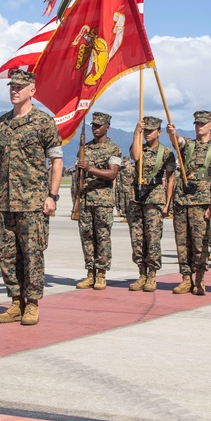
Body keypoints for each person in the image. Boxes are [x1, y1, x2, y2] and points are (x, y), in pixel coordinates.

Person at [0, 69, 63, 326]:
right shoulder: (1, 123)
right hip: (5, 202)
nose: (14, 90)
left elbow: (56, 160)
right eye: (12, 86)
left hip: (32, 201)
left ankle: (31, 304)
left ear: (32, 90)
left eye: (20, 87)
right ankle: (15, 301)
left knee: (32, 254)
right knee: (7, 254)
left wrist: (52, 195)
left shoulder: (43, 122)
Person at [166, 110, 211, 295]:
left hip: (201, 203)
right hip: (182, 201)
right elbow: (178, 141)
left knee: (200, 243)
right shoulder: (188, 146)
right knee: (182, 243)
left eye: (203, 123)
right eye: (197, 123)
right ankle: (186, 278)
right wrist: (172, 133)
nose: (199, 126)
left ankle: (200, 279)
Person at [74, 112, 122, 290]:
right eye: (93, 125)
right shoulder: (85, 148)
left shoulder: (113, 149)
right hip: (86, 199)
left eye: (99, 126)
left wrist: (90, 168)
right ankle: (90, 273)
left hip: (102, 200)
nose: (95, 128)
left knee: (102, 238)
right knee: (87, 237)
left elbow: (112, 174)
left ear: (107, 127)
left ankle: (101, 274)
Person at [127, 115, 175, 292]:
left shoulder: (167, 153)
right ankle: (141, 273)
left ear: (159, 132)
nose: (147, 133)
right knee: (137, 238)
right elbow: (135, 156)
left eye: (150, 131)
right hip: (137, 197)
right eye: (145, 130)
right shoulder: (139, 145)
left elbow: (170, 180)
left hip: (155, 198)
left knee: (153, 238)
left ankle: (152, 274)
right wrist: (136, 134)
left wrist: (168, 203)